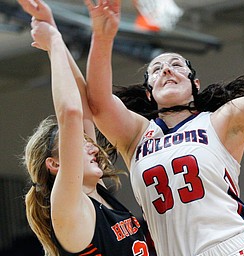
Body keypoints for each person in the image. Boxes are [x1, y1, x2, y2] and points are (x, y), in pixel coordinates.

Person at [85, 0, 244, 255]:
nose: (166, 69)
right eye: (156, 70)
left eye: (176, 65)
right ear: (149, 94)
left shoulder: (221, 121)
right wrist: (101, 35)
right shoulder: (135, 135)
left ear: (194, 84)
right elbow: (98, 103)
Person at [18, 0, 150, 255]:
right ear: (55, 164)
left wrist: (52, 29)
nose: (94, 149)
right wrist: (53, 42)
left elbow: (84, 106)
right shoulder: (69, 207)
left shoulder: (95, 193)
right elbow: (71, 113)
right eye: (81, 145)